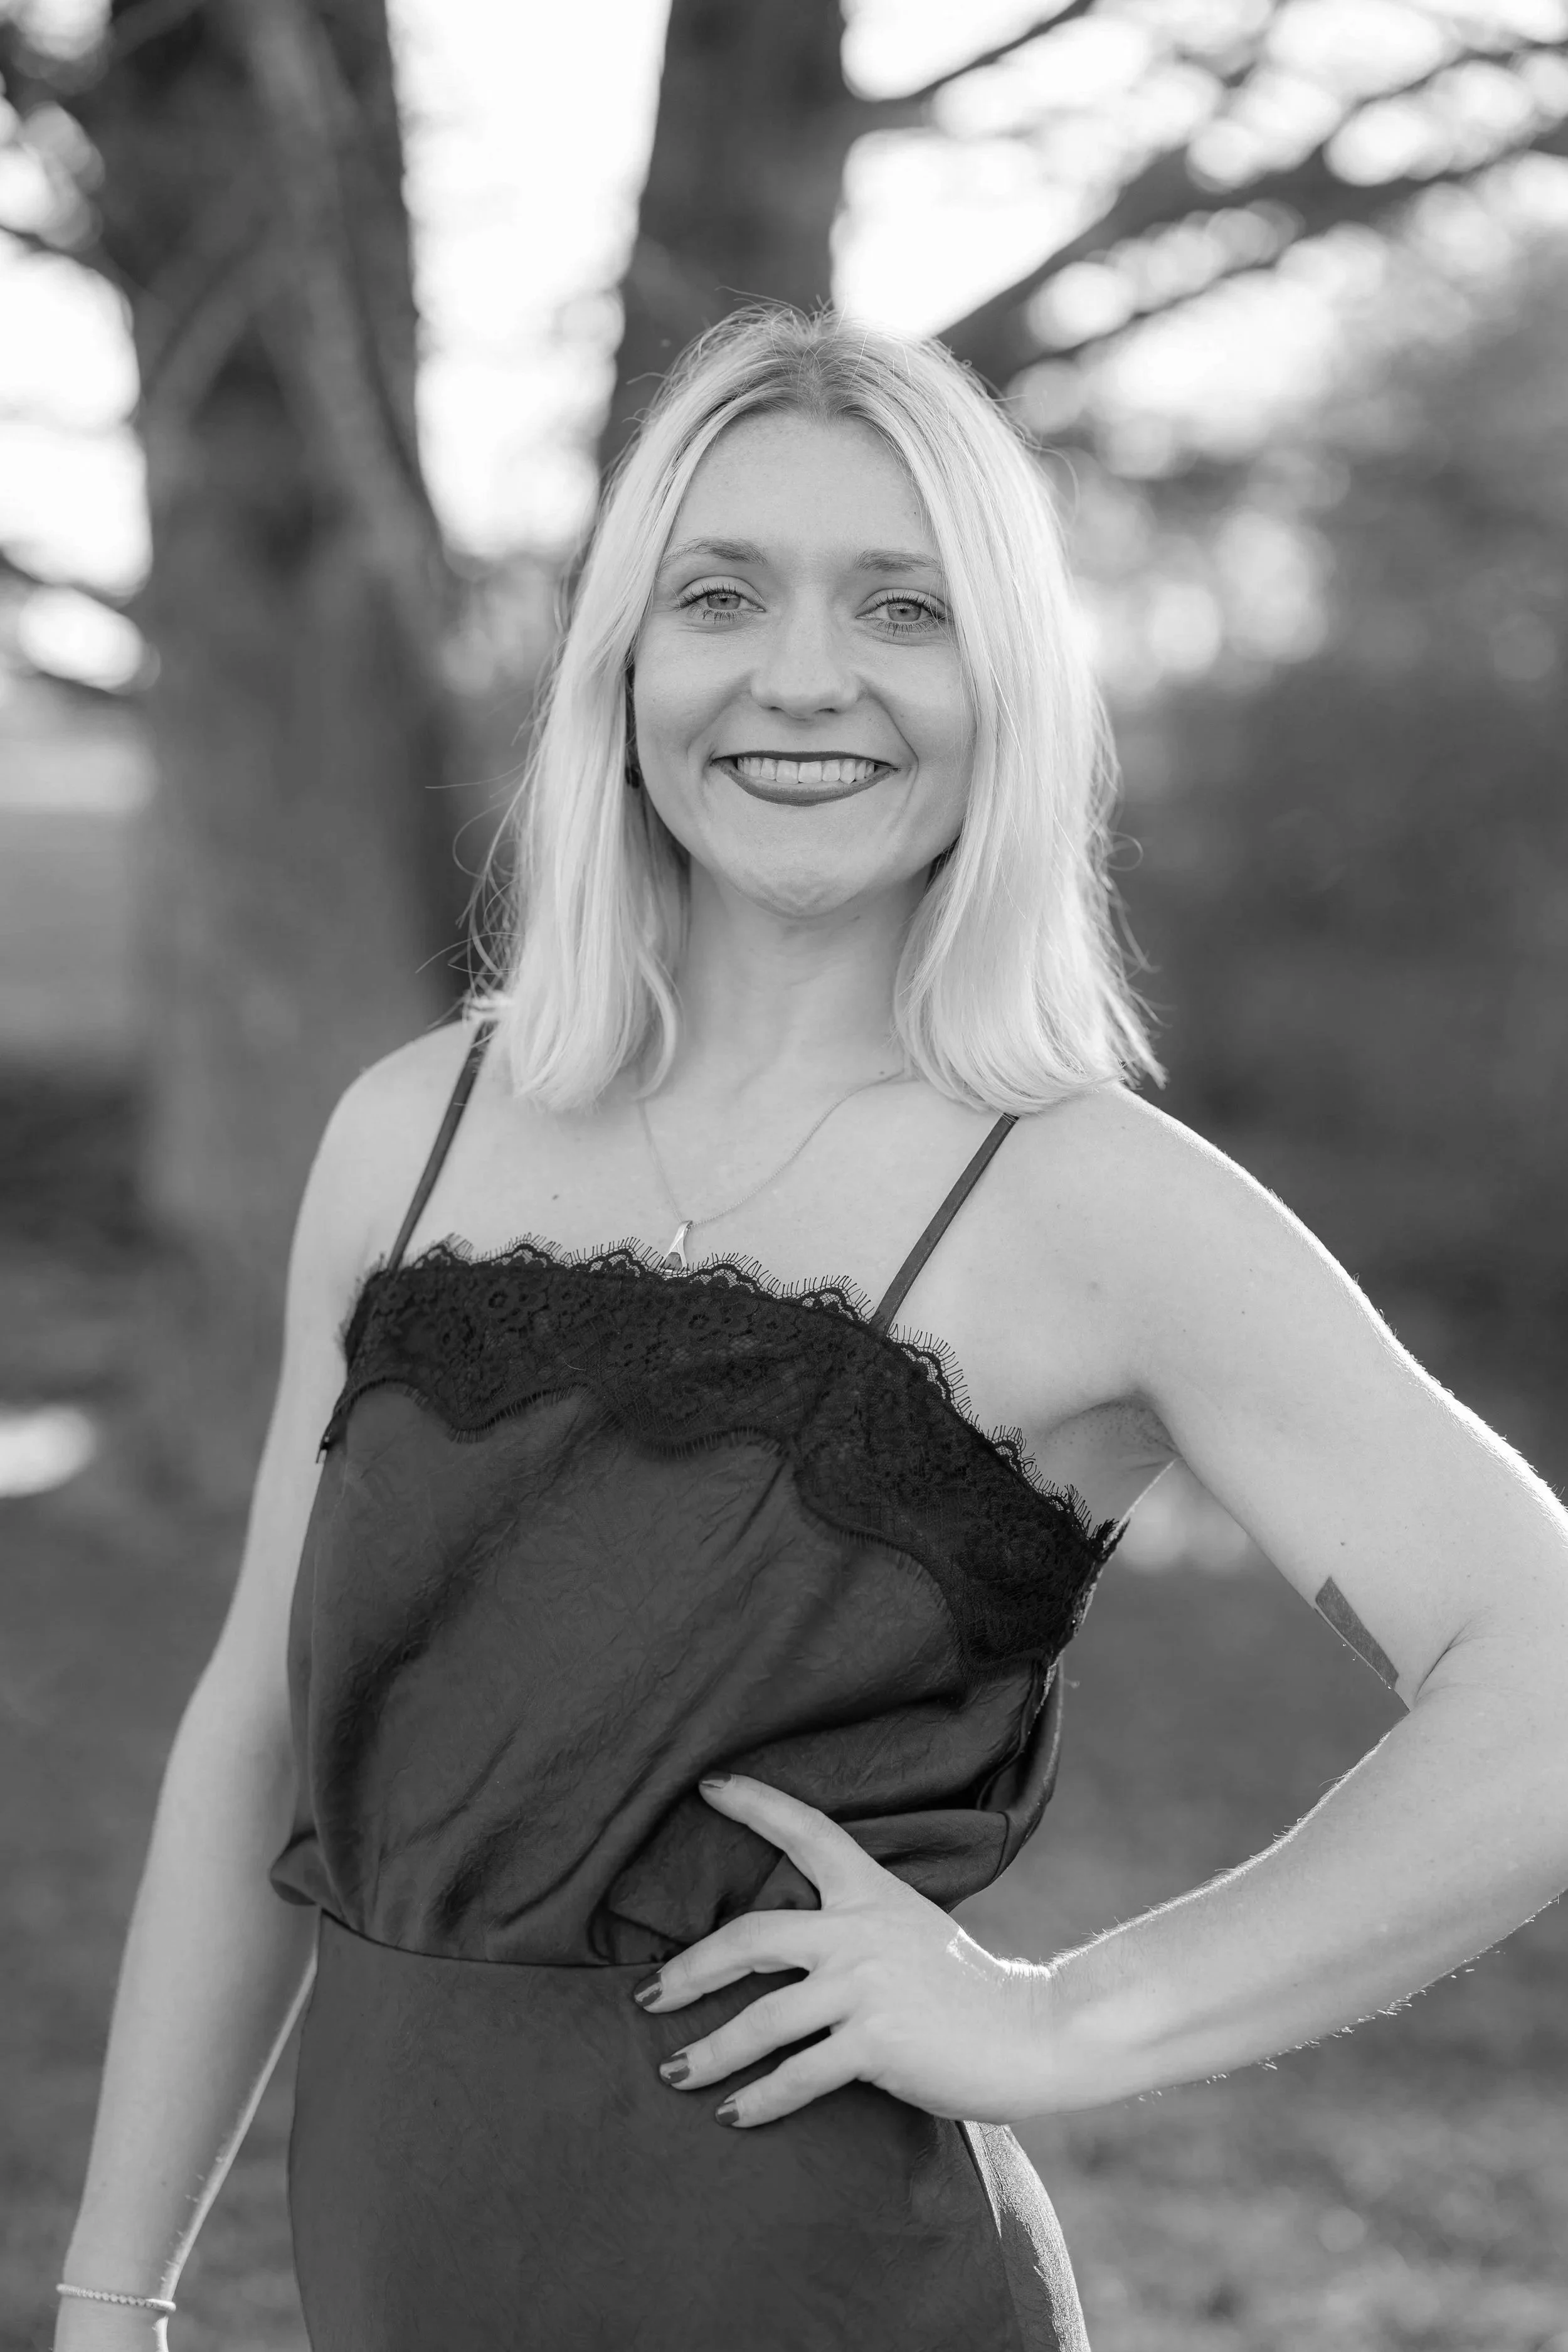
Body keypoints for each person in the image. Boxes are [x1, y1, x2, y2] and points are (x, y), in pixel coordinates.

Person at [55, 307, 1568, 2352]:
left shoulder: (1088, 1199)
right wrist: (110, 2288)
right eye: (720, 594)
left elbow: (1540, 1676)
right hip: (395, 2276)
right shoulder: (406, 1131)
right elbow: (259, 1726)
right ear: (624, 665)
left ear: (1005, 684)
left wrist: (1072, 2015)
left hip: (821, 2287)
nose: (800, 675)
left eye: (901, 608)